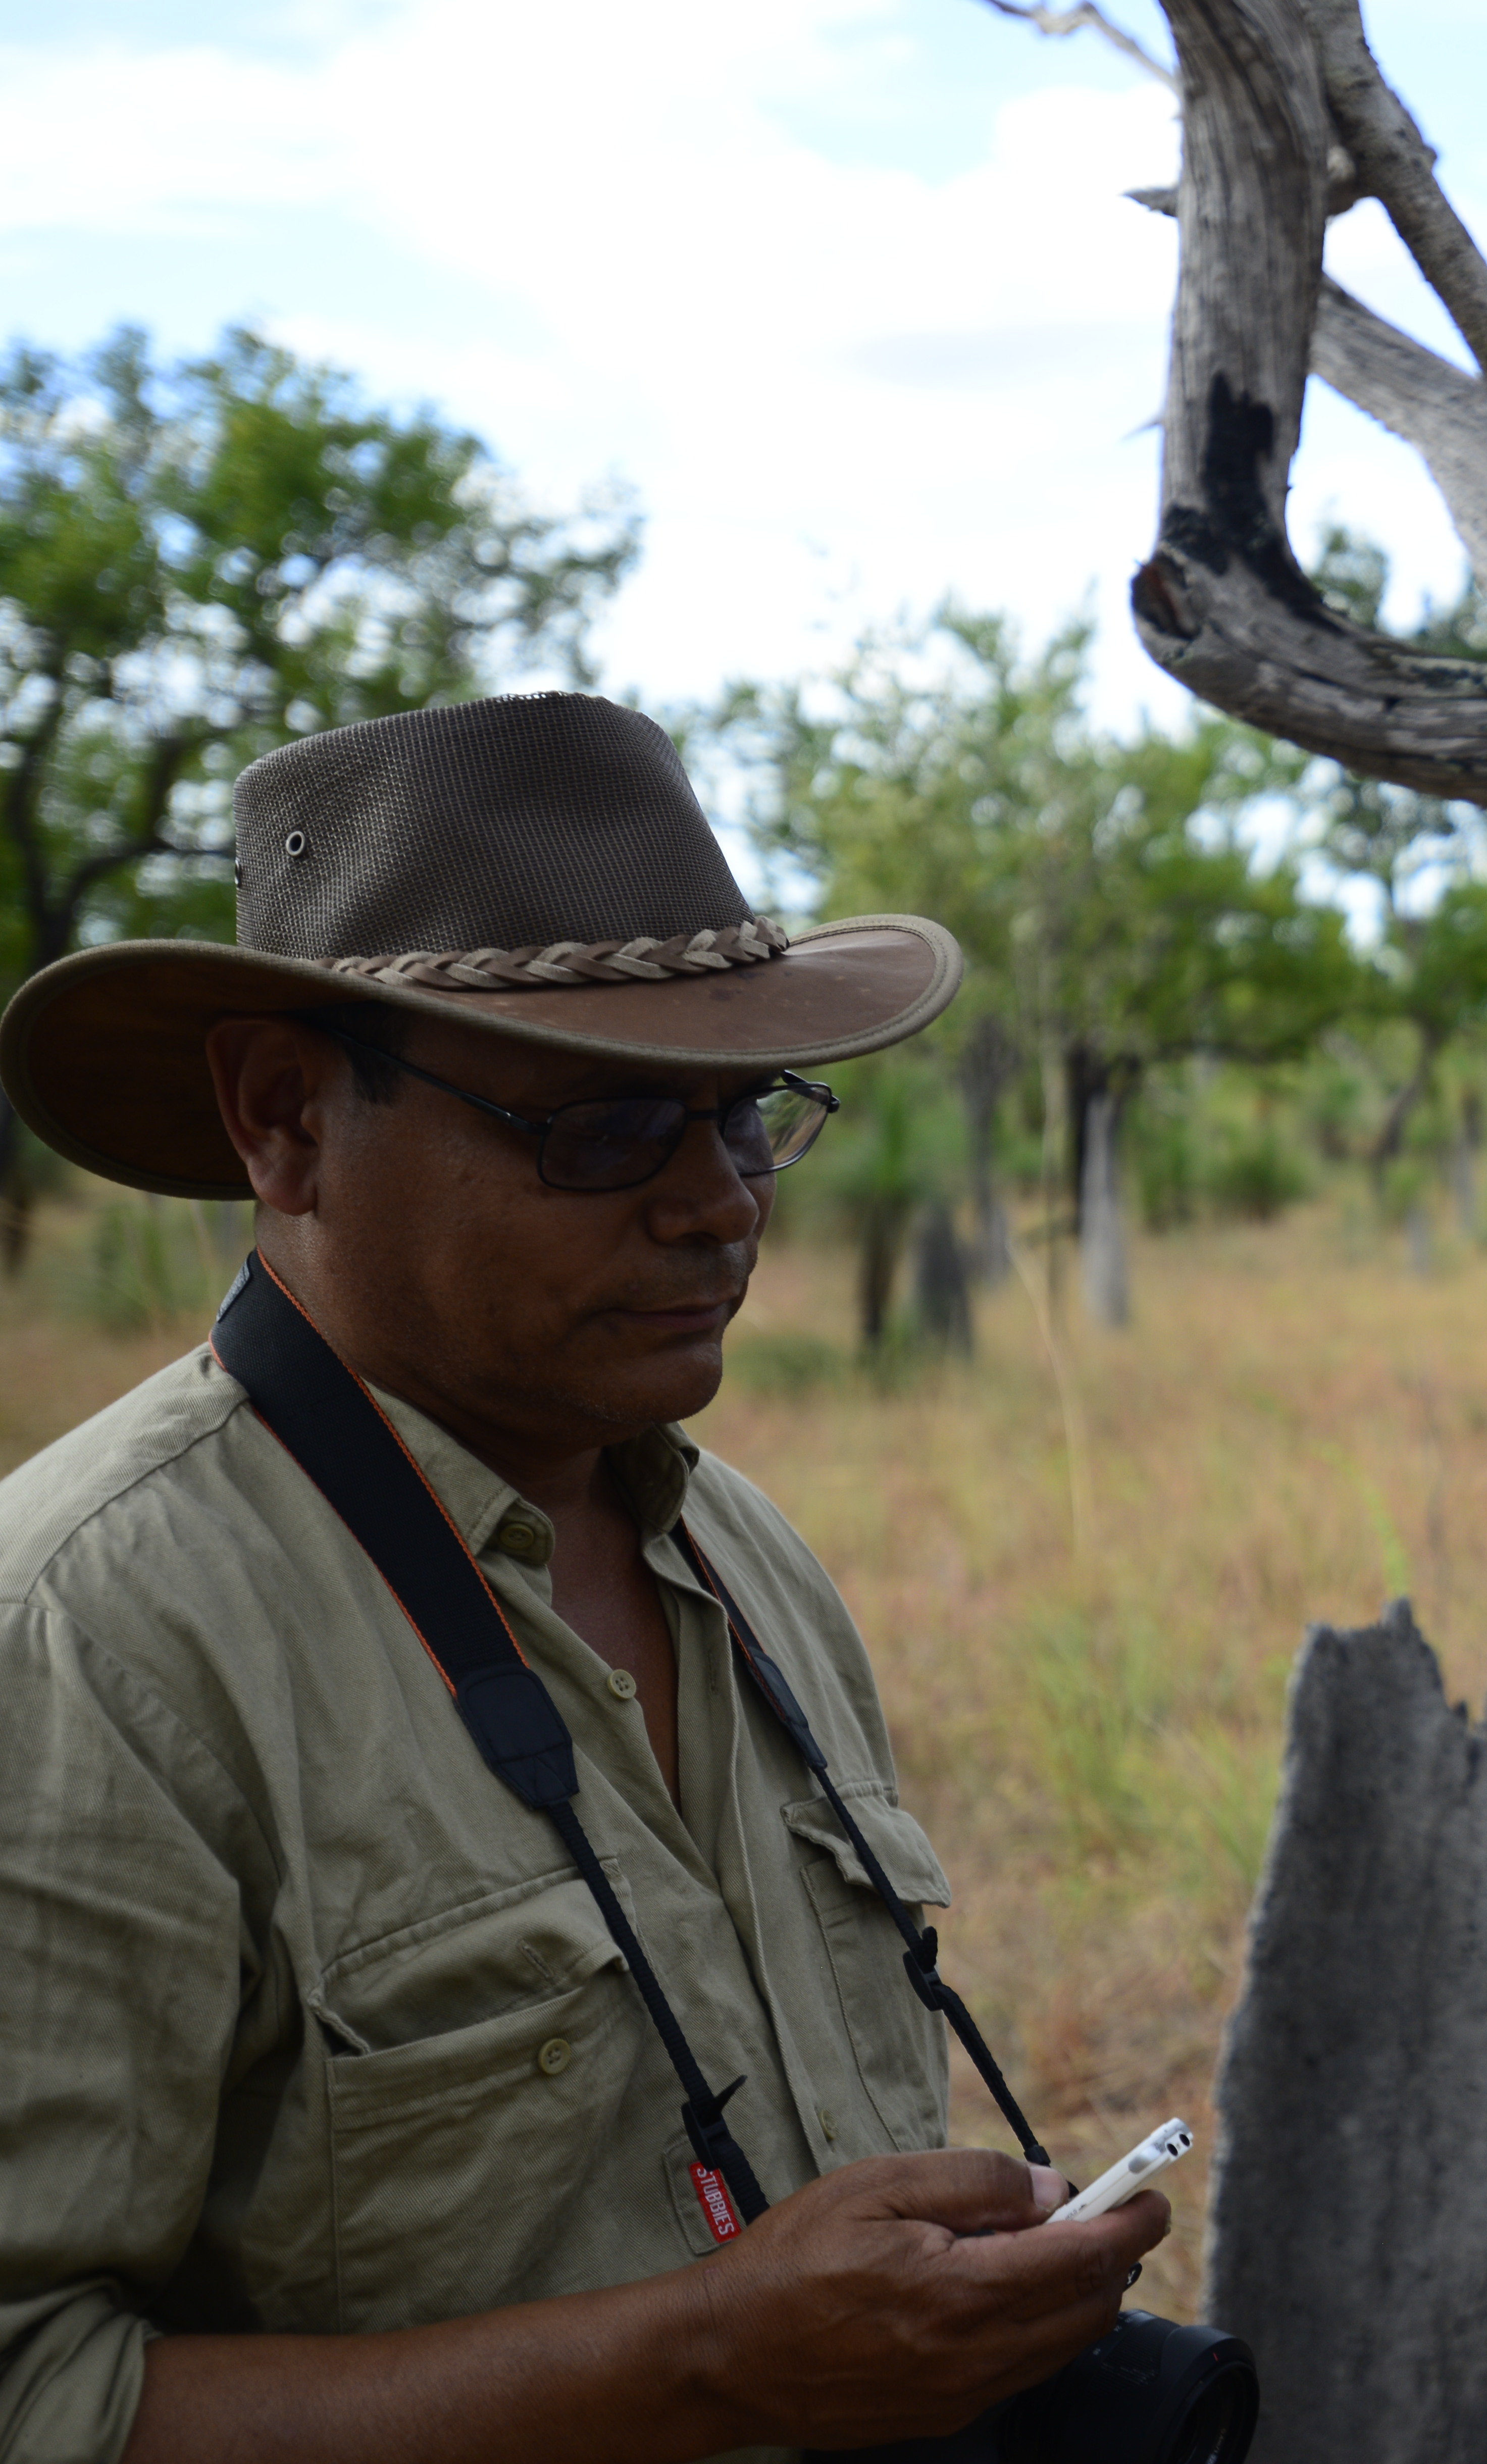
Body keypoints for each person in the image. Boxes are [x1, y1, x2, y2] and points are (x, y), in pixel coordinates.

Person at [0, 695, 1167, 2463]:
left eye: (748, 1115)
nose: (719, 1206)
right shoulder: (91, 1643)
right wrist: (707, 2362)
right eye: (610, 1129)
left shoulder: (738, 1549)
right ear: (285, 1119)